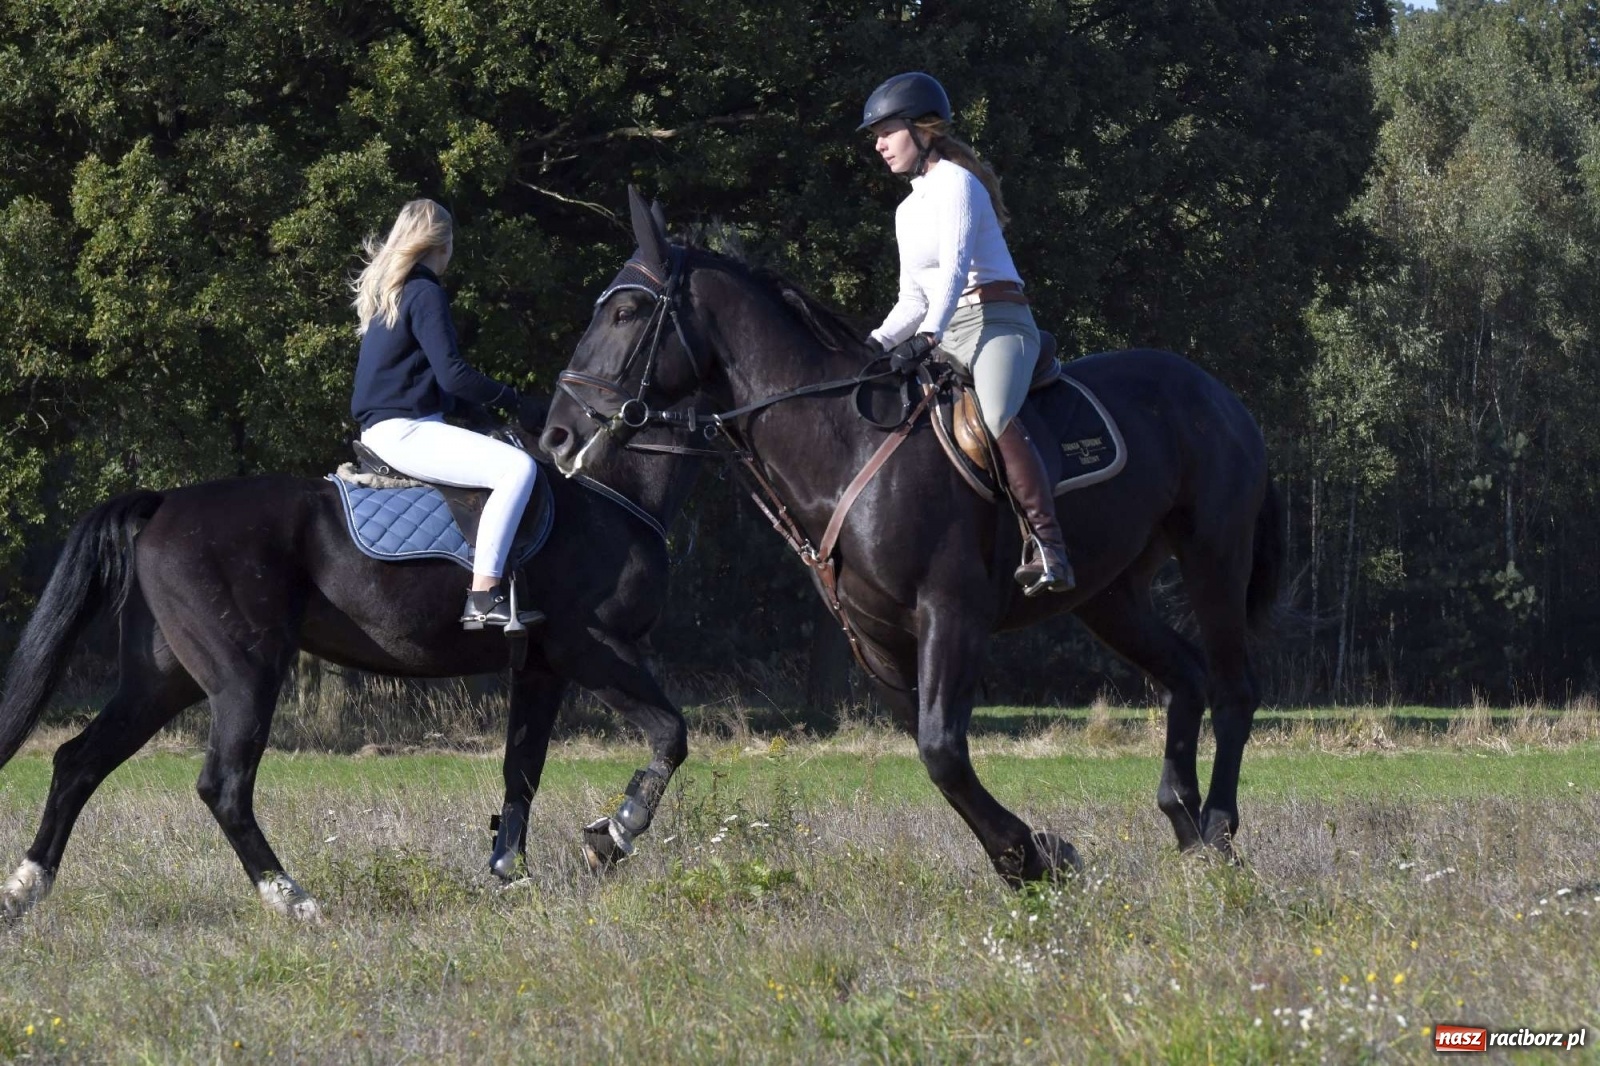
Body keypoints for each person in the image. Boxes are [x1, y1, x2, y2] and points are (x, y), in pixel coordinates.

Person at [860, 72, 1075, 595]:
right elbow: (913, 297)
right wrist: (872, 346)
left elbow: (956, 271)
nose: (879, 145)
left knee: (995, 412)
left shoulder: (958, 183)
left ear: (922, 128)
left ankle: (1049, 546)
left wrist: (928, 337)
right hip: (945, 327)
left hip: (999, 323)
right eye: (875, 136)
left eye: (887, 131)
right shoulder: (906, 210)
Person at [349, 198, 538, 628]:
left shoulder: (390, 293)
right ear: (443, 245)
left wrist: (482, 417)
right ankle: (484, 595)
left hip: (386, 427)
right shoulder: (425, 291)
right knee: (518, 469)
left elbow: (432, 381)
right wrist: (515, 400)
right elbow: (453, 376)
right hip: (407, 431)